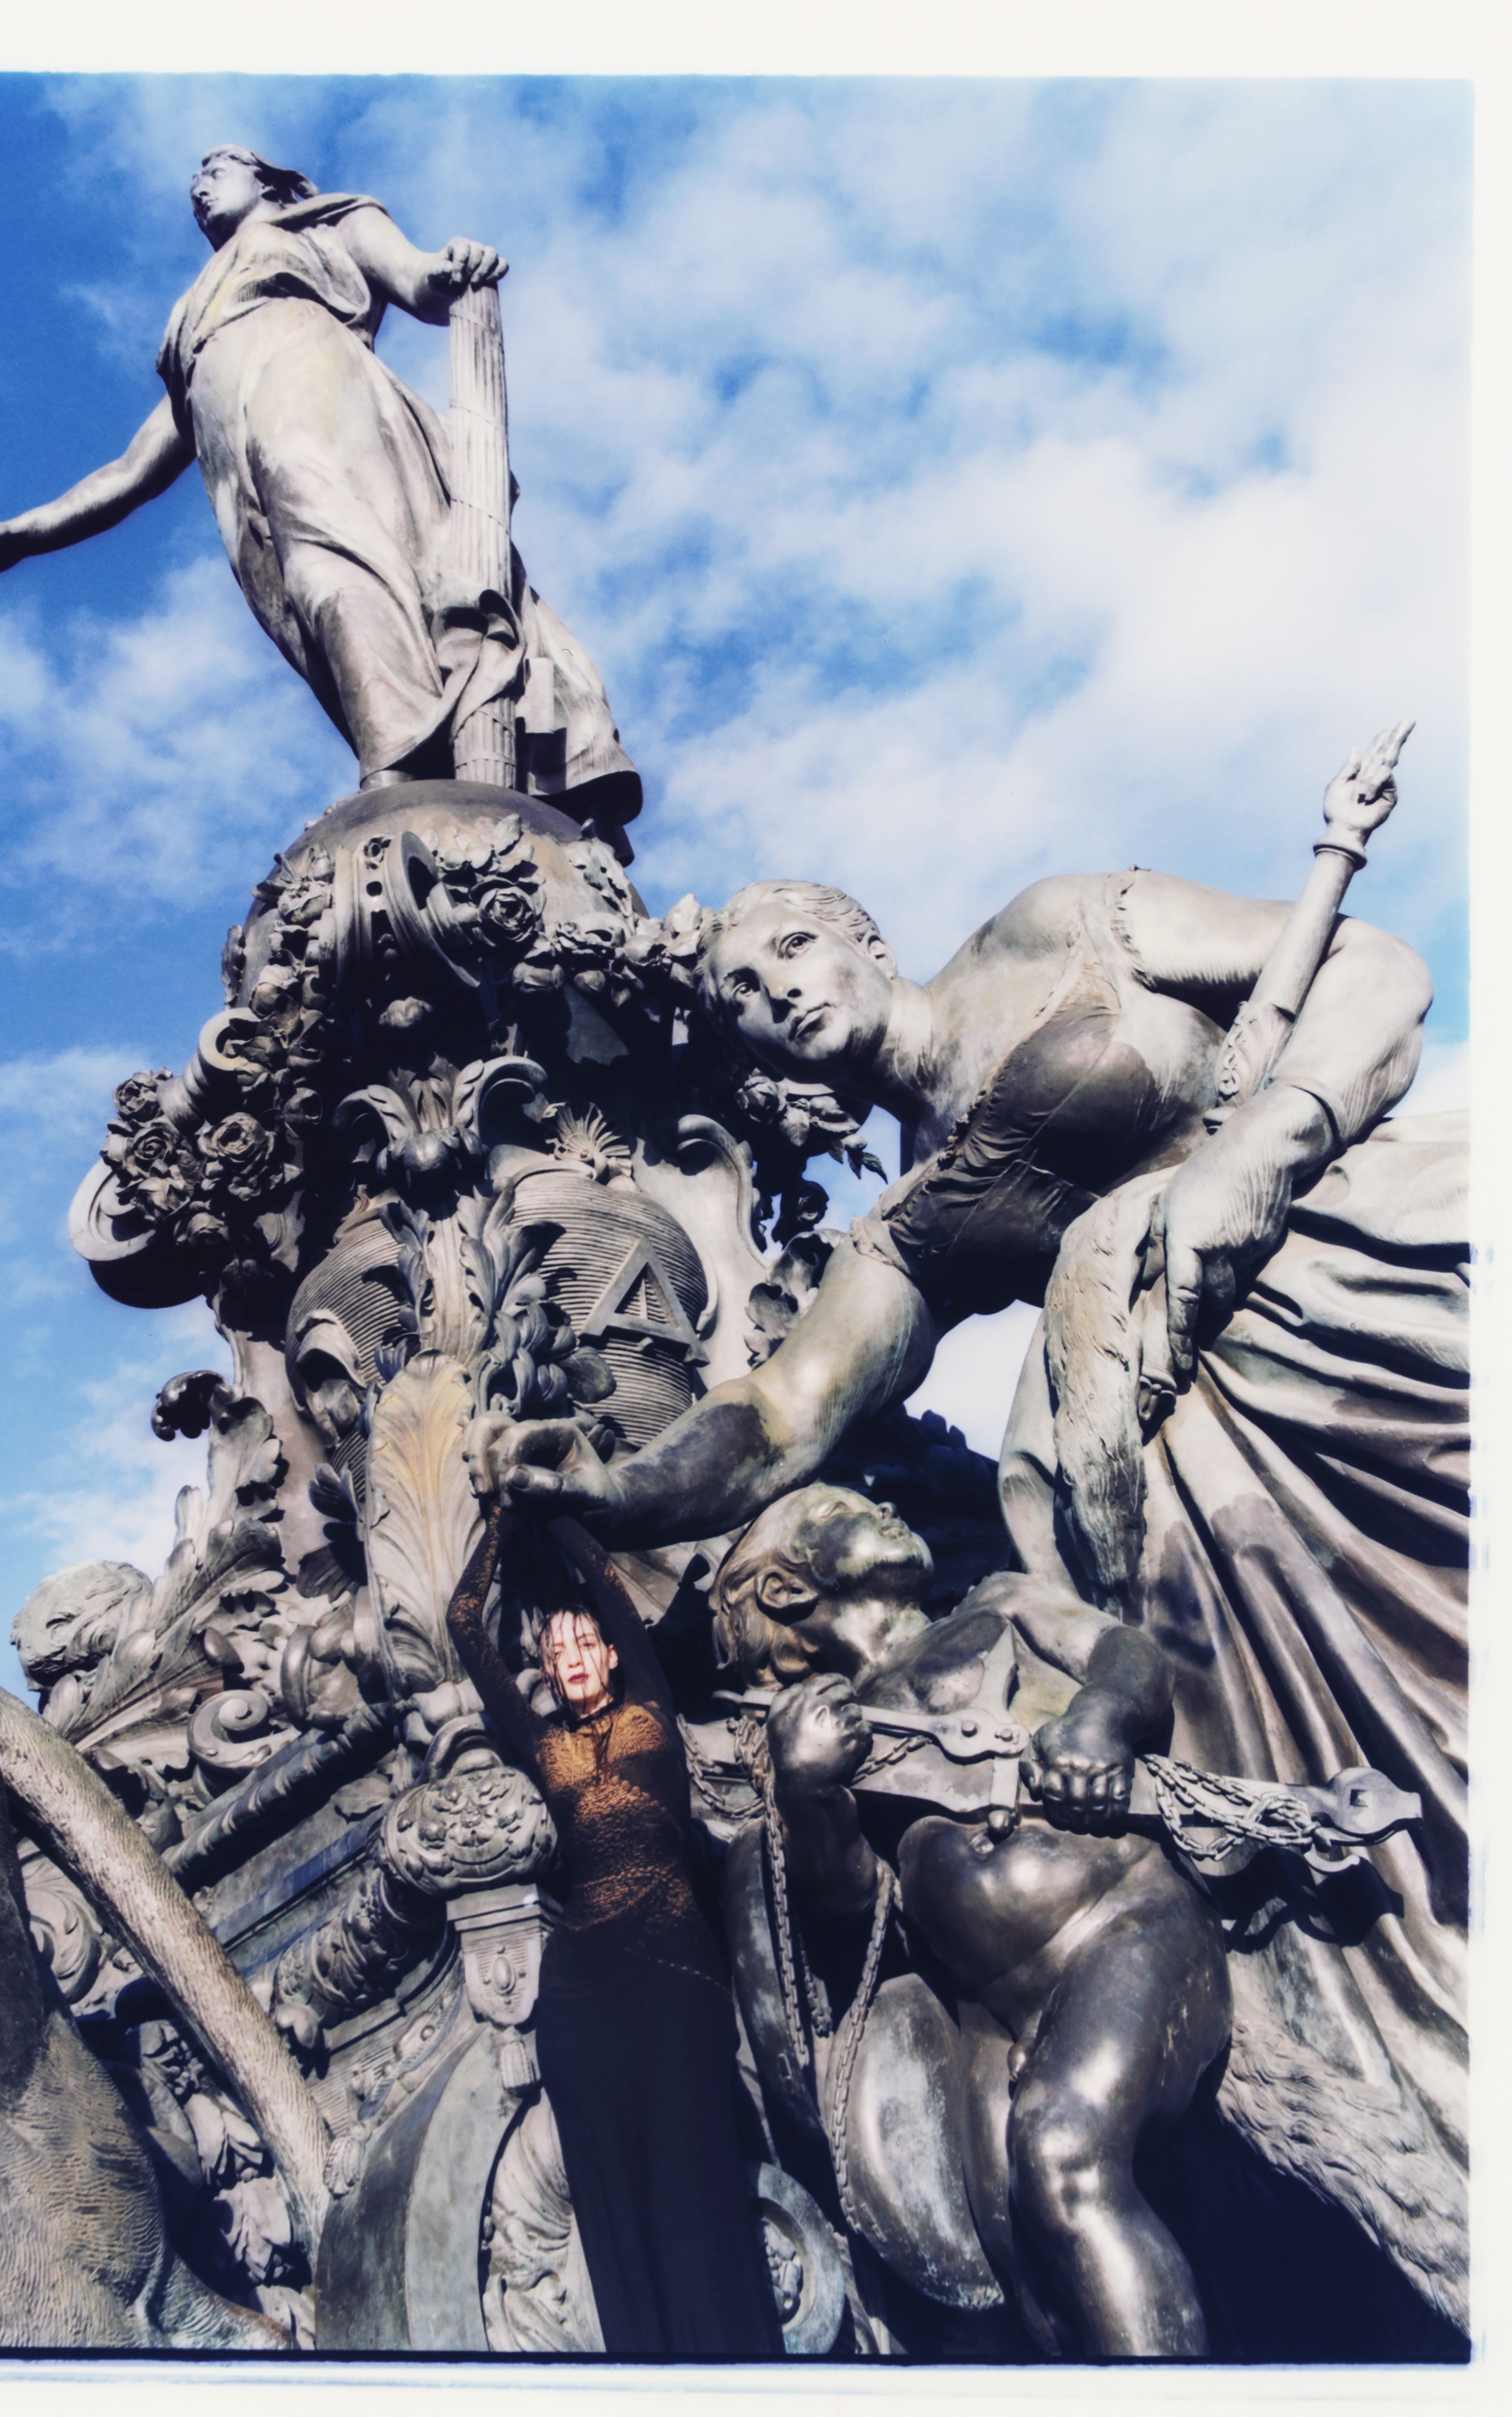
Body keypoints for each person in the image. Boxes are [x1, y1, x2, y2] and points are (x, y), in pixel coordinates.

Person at [473, 739, 1467, 2323]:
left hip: (1339, 1265)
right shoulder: (913, 1223)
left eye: (785, 954)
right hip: (1170, 1444)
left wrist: (1252, 1154)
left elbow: (1373, 966)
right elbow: (780, 1414)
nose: (773, 996)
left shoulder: (1060, 924)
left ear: (858, 935)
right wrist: (603, 1486)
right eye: (742, 1005)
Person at [0, 146, 640, 825]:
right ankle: (401, 764)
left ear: (267, 180)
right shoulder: (196, 327)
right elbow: (132, 472)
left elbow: (421, 281)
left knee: (334, 568)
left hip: (318, 398)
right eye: (194, 181)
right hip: (238, 471)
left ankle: (396, 775)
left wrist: (454, 268)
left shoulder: (327, 225)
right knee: (305, 602)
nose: (199, 186)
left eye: (217, 167)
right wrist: (21, 534)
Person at [750, 1494, 1229, 2357]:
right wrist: (808, 1794)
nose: (883, 1502)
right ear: (782, 1590)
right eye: (833, 1506)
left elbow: (1125, 1653)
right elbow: (852, 1911)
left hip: (1120, 1922)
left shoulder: (996, 1599)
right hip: (987, 2016)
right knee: (1031, 2278)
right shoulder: (821, 1723)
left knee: (1063, 2155)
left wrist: (1099, 1717)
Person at [444, 1505, 783, 2359]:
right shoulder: (543, 1744)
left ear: (608, 1655)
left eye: (582, 1646)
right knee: (615, 2212)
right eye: (554, 1653)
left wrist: (552, 1514)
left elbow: (607, 1584)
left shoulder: (650, 1709)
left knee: (696, 2185)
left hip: (674, 1974)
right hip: (580, 1995)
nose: (569, 1660)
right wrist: (497, 1528)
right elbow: (462, 1623)